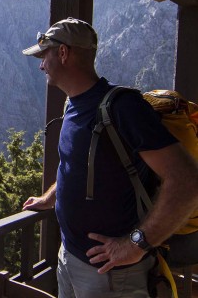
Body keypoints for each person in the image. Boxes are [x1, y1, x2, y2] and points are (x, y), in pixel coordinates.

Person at [21, 17, 198, 297]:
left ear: (64, 53)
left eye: (45, 55)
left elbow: (187, 180)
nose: (41, 64)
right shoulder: (73, 104)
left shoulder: (122, 107)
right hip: (69, 258)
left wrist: (135, 244)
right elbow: (74, 165)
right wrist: (50, 197)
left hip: (112, 275)